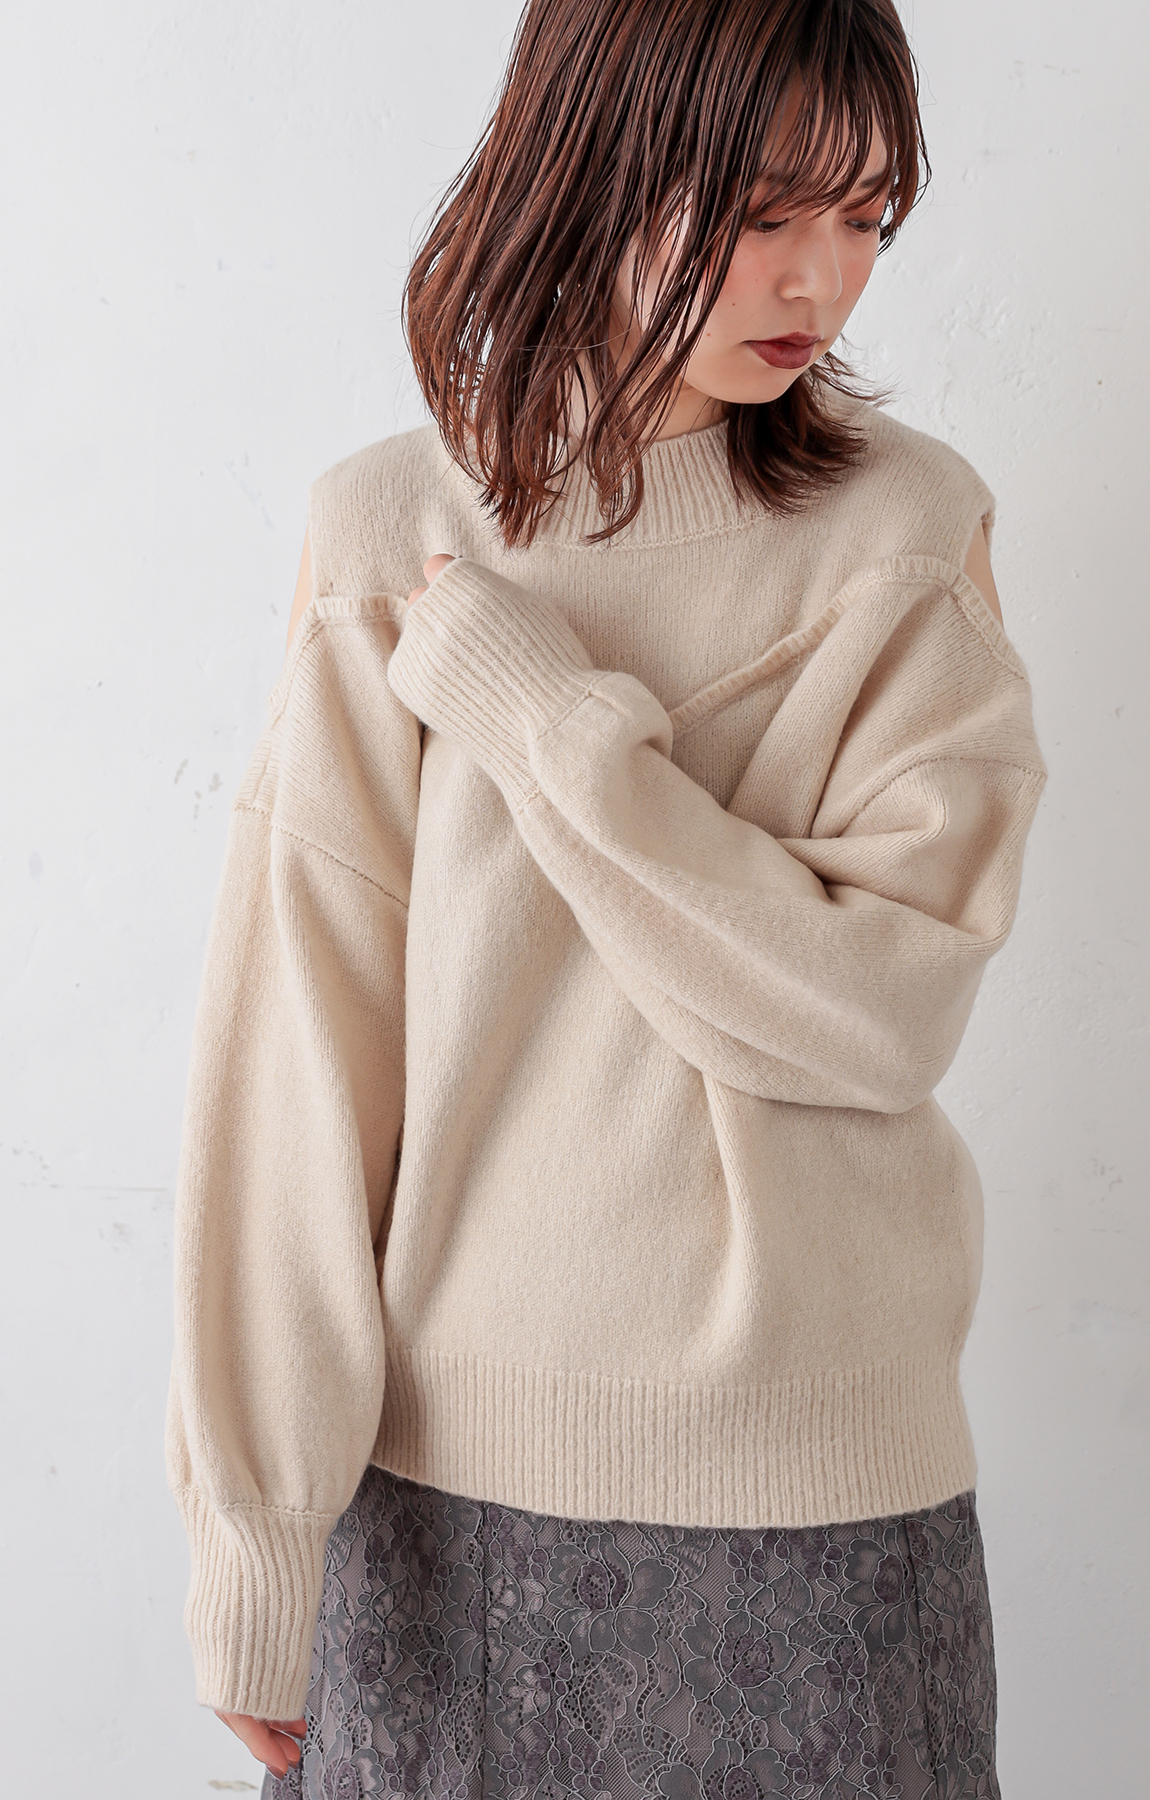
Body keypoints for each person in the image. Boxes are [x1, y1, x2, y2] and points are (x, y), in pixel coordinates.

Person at [164, 2, 1048, 1795]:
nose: (821, 280)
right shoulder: (392, 533)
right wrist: (253, 1537)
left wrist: (540, 722)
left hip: (831, 1509)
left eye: (867, 217)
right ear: (596, 162)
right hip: (447, 1511)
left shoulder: (908, 538)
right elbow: (298, 1066)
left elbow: (876, 1014)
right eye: (764, 211)